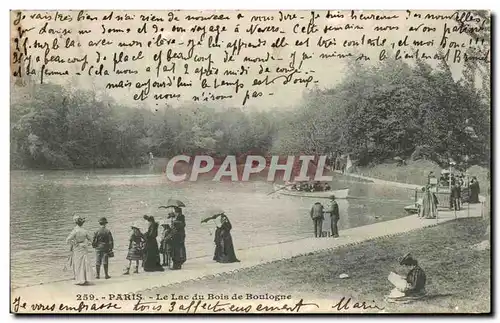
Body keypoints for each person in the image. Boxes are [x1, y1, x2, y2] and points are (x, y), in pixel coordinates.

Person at [66, 214, 93, 285]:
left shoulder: (75, 231)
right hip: (84, 248)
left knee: (78, 264)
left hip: (77, 248)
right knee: (85, 263)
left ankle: (80, 280)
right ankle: (86, 278)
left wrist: (75, 243)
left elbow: (68, 240)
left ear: (75, 223)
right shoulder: (84, 231)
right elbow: (91, 240)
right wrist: (86, 244)